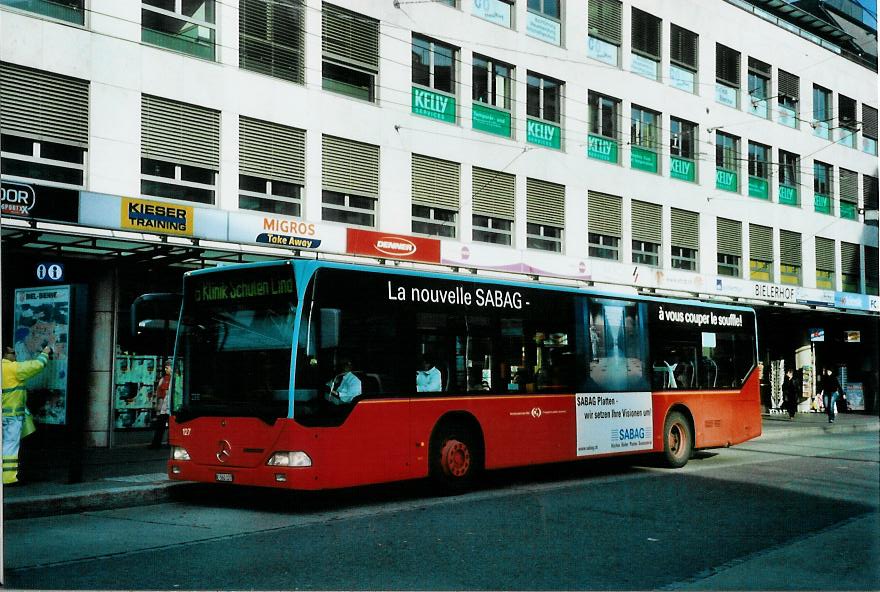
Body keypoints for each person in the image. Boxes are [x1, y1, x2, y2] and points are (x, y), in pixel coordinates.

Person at [2, 344, 50, 485]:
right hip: (11, 416)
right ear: (5, 354)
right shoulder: (11, 368)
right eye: (12, 353)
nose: (15, 356)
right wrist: (45, 352)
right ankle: (8, 478)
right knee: (10, 446)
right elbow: (37, 365)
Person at [148, 361, 172, 449]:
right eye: (165, 367)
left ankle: (169, 443)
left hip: (170, 406)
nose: (166, 369)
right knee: (160, 425)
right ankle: (156, 443)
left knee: (169, 426)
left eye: (168, 367)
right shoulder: (164, 379)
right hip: (165, 406)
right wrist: (158, 403)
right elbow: (159, 392)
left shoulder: (175, 379)